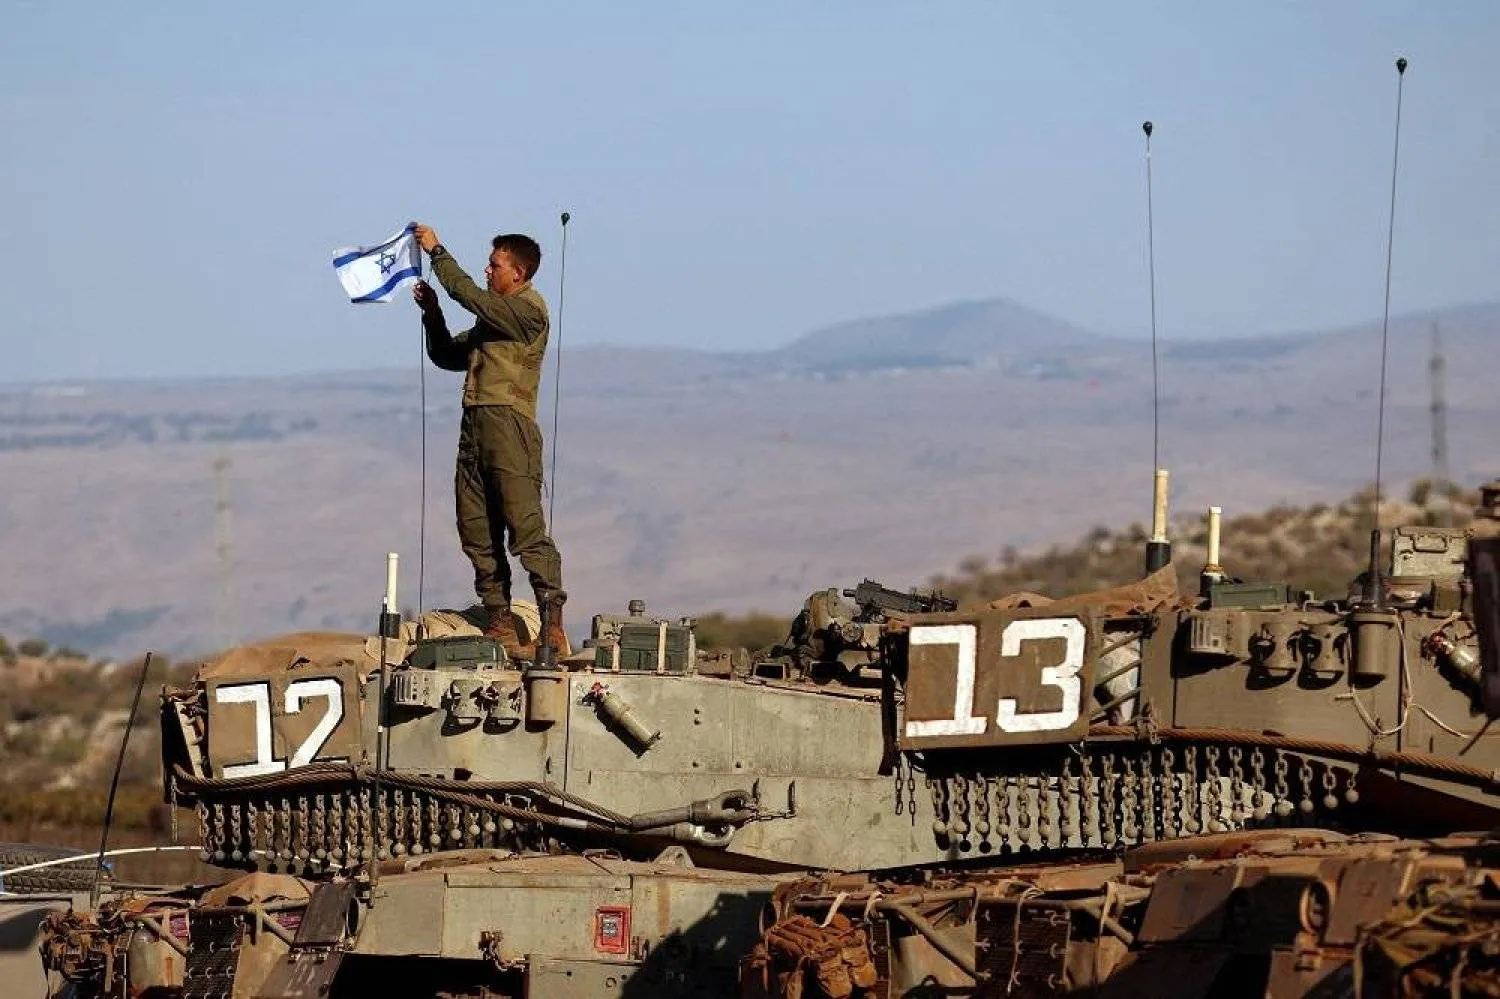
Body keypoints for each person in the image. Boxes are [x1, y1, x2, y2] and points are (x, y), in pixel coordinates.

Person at [411, 223, 566, 659]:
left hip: (509, 429)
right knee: (476, 528)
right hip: (475, 428)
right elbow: (447, 355)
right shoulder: (491, 318)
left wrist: (437, 250)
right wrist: (432, 312)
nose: (488, 270)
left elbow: (471, 296)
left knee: (525, 528)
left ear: (518, 273)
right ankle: (498, 620)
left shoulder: (526, 312)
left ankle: (551, 625)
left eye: (495, 264)